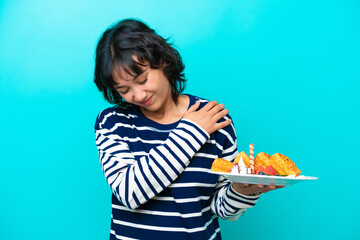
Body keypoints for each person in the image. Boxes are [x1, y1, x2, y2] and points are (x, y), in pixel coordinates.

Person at [93, 18, 283, 240]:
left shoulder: (215, 118)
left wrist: (242, 192)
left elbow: (219, 209)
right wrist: (191, 132)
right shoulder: (113, 122)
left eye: (143, 79)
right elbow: (130, 193)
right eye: (124, 89)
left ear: (163, 61)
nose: (138, 95)